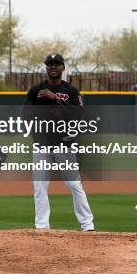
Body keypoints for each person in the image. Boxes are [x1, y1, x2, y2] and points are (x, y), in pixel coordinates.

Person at [24, 53, 94, 232]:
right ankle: (42, 226)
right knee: (39, 186)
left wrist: (55, 99)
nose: (53, 67)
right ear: (46, 68)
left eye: (56, 64)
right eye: (50, 64)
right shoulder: (35, 91)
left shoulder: (71, 91)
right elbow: (25, 116)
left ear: (63, 67)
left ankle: (87, 225)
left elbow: (77, 115)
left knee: (74, 184)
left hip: (64, 144)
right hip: (42, 145)